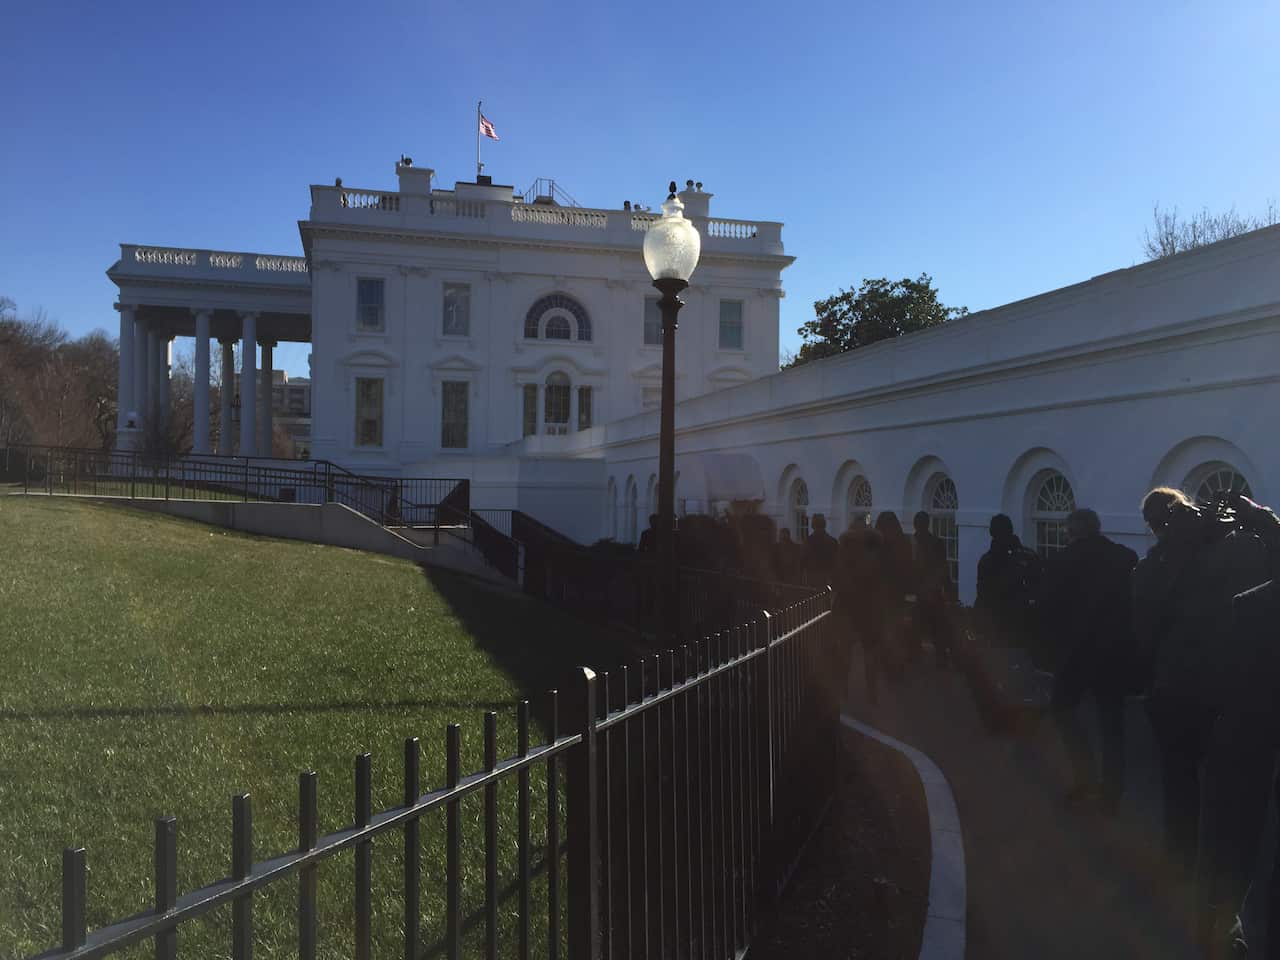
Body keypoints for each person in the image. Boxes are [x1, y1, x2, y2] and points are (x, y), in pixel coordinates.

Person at [1132, 487, 1271, 952]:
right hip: (1238, 695)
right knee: (1235, 809)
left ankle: (1183, 886)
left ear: (1154, 524)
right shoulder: (1240, 547)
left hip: (1175, 693)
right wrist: (1257, 518)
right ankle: (1229, 909)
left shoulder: (1151, 569)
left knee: (1182, 793)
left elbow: (1144, 637)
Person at [1038, 508, 1138, 813]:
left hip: (1077, 651)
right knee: (1112, 725)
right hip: (1113, 650)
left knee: (1061, 709)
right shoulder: (1124, 557)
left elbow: (1049, 606)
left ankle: (1085, 777)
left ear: (1072, 531)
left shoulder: (1063, 560)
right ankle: (1112, 792)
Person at [975, 514, 1042, 654]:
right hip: (1023, 622)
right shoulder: (1029, 555)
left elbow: (982, 595)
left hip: (1000, 624)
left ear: (991, 532)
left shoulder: (987, 560)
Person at [912, 510, 954, 666]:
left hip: (920, 592)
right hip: (932, 591)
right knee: (937, 628)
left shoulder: (913, 542)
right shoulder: (936, 542)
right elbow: (944, 569)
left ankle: (918, 657)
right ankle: (940, 658)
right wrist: (949, 591)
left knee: (920, 627)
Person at [804, 512, 839, 587]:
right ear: (824, 524)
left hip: (812, 576)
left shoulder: (808, 541)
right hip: (828, 576)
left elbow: (803, 560)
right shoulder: (832, 541)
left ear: (812, 525)